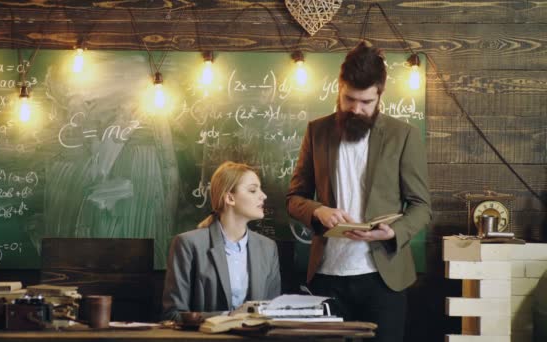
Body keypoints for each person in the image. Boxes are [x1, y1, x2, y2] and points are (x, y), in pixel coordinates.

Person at [286, 41, 431, 342]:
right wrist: (318, 210)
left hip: (384, 279)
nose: (356, 109)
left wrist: (392, 233)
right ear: (339, 87)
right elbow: (294, 199)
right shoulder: (317, 131)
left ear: (380, 94)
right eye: (349, 98)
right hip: (327, 277)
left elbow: (421, 206)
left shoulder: (403, 136)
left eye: (366, 102)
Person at [162, 161, 281, 322]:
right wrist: (229, 317)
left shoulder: (268, 248)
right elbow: (173, 315)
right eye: (253, 190)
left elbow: (272, 313)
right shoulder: (188, 244)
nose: (263, 196)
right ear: (230, 198)